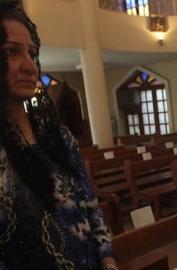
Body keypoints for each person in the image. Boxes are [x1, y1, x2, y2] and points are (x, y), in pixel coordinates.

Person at [0, 3, 117, 270]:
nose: (30, 66)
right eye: (11, 52)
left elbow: (90, 205)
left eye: (32, 53)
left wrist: (108, 259)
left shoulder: (58, 136)